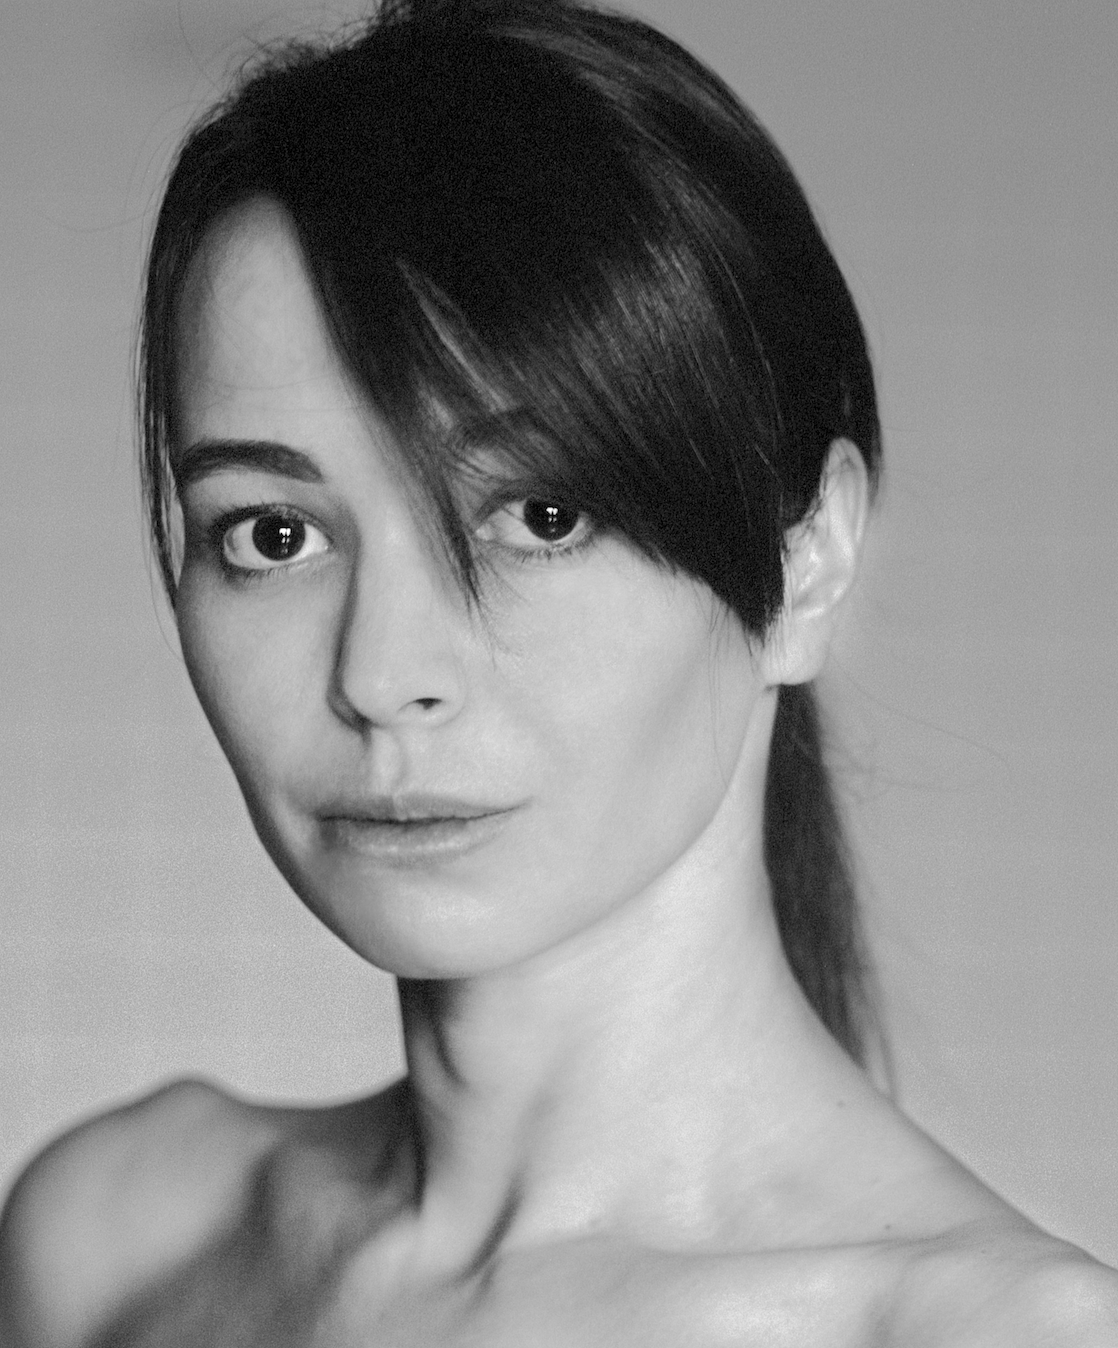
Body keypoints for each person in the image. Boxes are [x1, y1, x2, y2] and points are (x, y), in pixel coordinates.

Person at [1, 0, 1116, 1342]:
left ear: (805, 560)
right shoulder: (115, 1240)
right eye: (276, 533)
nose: (384, 674)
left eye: (538, 516)